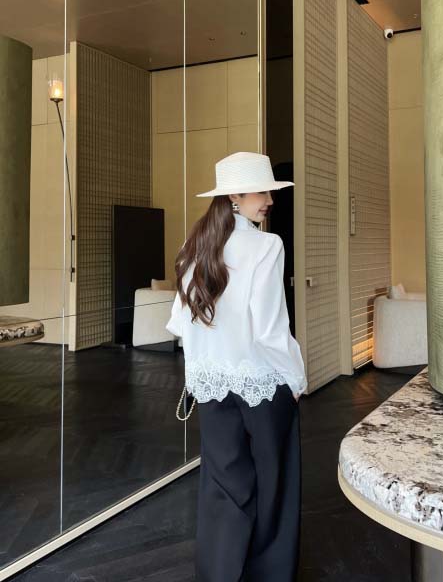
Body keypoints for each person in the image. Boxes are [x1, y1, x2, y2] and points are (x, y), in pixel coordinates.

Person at [165, 151, 307, 582]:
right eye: (261, 192)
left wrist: (202, 370)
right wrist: (296, 378)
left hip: (212, 388)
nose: (270, 200)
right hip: (264, 387)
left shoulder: (193, 247)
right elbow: (270, 331)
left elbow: (179, 324)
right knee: (274, 488)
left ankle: (219, 574)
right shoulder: (267, 246)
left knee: (223, 488)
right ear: (234, 198)